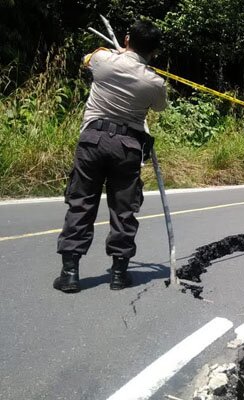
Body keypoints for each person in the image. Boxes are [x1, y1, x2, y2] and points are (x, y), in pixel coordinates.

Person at [53, 19, 167, 293]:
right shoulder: (154, 82)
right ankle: (118, 274)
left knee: (81, 203)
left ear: (127, 39)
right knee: (123, 209)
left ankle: (70, 274)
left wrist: (118, 55)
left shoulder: (103, 60)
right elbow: (160, 107)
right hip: (127, 146)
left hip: (93, 140)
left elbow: (86, 59)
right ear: (154, 52)